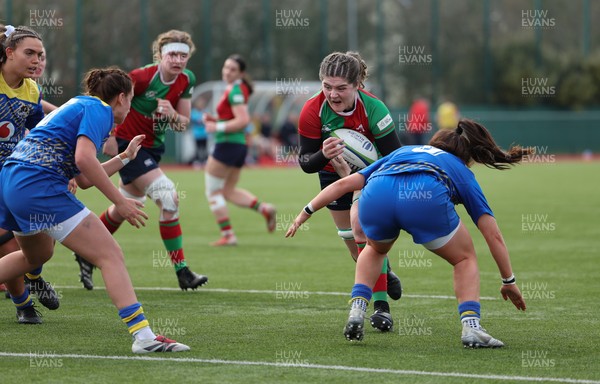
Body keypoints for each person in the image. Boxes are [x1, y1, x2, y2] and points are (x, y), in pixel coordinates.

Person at [287, 119, 529, 348]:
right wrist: (508, 281)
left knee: (374, 249)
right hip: (424, 196)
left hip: (378, 193)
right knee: (464, 259)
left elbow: (344, 184)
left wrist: (306, 212)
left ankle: (357, 311)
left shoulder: (404, 151)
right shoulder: (460, 169)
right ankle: (471, 328)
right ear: (467, 155)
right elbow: (492, 233)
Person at [0, 66, 190, 353]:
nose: (131, 108)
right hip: (37, 184)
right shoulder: (99, 109)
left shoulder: (80, 104)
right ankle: (143, 337)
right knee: (111, 255)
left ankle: (144, 337)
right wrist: (120, 201)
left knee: (37, 255)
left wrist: (125, 158)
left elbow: (85, 178)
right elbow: (85, 159)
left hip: (12, 182)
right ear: (122, 98)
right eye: (132, 100)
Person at [73, 30, 208, 291]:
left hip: (153, 148)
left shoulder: (187, 80)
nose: (178, 60)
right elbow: (107, 103)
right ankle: (182, 272)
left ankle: (85, 251)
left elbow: (183, 124)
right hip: (130, 145)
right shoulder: (141, 78)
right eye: (172, 55)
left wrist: (171, 115)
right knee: (169, 197)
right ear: (159, 55)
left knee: (129, 203)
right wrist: (109, 135)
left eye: (183, 55)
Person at [297, 51, 403, 332]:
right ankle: (386, 270)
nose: (332, 94)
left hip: (375, 174)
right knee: (356, 248)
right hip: (332, 175)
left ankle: (381, 308)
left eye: (341, 88)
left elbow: (396, 157)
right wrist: (322, 154)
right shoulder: (312, 110)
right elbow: (306, 163)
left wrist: (370, 176)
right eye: (327, 86)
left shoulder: (374, 109)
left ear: (358, 85)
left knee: (365, 235)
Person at [0, 24, 59, 321]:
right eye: (30, 54)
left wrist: (60, 170)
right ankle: (24, 305)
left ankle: (34, 275)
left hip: (16, 176)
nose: (38, 60)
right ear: (8, 53)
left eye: (41, 55)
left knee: (46, 236)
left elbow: (39, 131)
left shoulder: (32, 89)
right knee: (7, 244)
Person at [203, 54, 276, 246]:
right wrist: (216, 121)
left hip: (227, 144)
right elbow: (235, 119)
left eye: (232, 69)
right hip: (238, 145)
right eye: (226, 67)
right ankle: (264, 209)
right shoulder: (238, 88)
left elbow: (243, 120)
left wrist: (216, 127)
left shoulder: (235, 89)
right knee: (227, 190)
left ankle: (229, 236)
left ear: (241, 73)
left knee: (213, 192)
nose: (227, 72)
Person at [32, 48, 58, 114]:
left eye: (42, 59)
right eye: (33, 58)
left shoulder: (39, 88)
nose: (38, 63)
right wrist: (60, 112)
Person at [189, 95, 209, 167]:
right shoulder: (193, 112)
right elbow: (196, 120)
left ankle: (205, 161)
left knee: (205, 148)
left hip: (205, 134)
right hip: (197, 134)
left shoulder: (205, 111)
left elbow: (207, 120)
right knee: (198, 148)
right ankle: (197, 161)